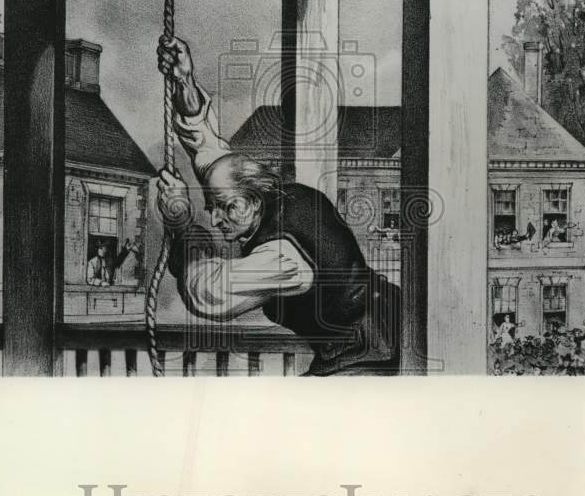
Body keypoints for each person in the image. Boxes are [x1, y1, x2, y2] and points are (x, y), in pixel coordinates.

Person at [155, 35, 401, 376]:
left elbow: (208, 293)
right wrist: (184, 81)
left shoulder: (284, 256)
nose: (214, 218)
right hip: (359, 345)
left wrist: (182, 225)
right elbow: (208, 149)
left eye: (224, 207)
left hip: (375, 354)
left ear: (254, 201)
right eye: (210, 206)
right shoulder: (266, 192)